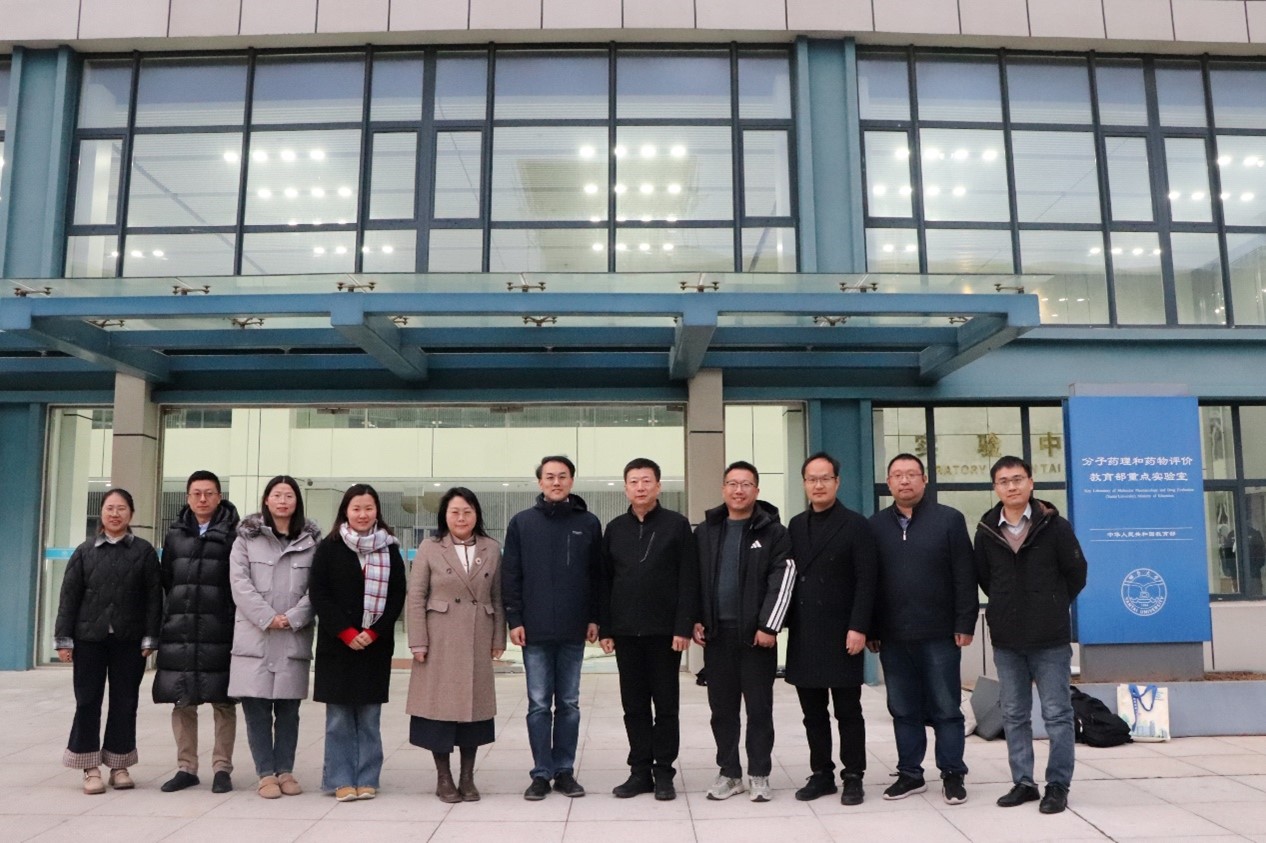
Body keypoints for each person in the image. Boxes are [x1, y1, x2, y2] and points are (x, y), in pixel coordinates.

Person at [975, 456, 1087, 815]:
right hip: (1007, 639)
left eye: (1017, 479)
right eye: (1004, 481)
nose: (1011, 486)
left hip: (1050, 638)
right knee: (1013, 713)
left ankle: (1057, 785)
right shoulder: (986, 530)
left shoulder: (1055, 526)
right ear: (996, 488)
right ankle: (1023, 782)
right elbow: (985, 578)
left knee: (1057, 713)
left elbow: (1076, 572)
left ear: (1031, 482)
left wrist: (1050, 604)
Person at [868, 453, 977, 804]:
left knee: (946, 708)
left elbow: (965, 575)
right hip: (894, 635)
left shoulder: (949, 520)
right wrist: (871, 627)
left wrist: (965, 622)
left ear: (924, 479)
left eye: (911, 474)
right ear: (889, 482)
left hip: (939, 634)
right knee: (903, 709)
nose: (905, 481)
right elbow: (869, 583)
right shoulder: (876, 525)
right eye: (897, 475)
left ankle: (953, 773)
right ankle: (910, 774)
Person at [693, 460, 795, 803]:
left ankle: (759, 773)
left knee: (759, 710)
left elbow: (782, 580)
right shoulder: (706, 531)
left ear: (756, 490)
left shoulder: (774, 532)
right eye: (733, 484)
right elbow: (694, 579)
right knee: (722, 711)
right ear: (723, 488)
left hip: (756, 638)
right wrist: (696, 618)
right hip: (717, 636)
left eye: (746, 484)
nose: (739, 490)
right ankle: (730, 773)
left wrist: (769, 626)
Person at [597, 457, 698, 801]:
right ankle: (639, 771)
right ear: (625, 488)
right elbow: (604, 581)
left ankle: (664, 772)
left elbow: (689, 579)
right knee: (634, 707)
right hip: (626, 633)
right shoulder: (615, 529)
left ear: (658, 486)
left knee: (666, 707)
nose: (640, 487)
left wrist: (683, 626)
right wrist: (606, 628)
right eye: (634, 482)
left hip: (665, 634)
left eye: (646, 481)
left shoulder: (676, 525)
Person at [502, 455, 602, 801]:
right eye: (549, 477)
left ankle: (564, 771)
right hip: (534, 631)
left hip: (574, 629)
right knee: (539, 704)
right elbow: (511, 575)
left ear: (572, 480)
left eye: (562, 476)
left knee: (570, 704)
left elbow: (597, 576)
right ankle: (541, 773)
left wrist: (595, 617)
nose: (556, 482)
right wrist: (514, 619)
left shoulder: (588, 523)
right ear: (540, 482)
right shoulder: (522, 523)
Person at [54, 488, 162, 794]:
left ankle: (119, 765)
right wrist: (64, 639)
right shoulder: (84, 551)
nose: (115, 514)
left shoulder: (143, 552)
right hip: (89, 639)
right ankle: (89, 767)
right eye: (110, 508)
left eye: (121, 508)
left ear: (131, 514)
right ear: (101, 513)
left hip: (129, 639)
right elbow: (69, 597)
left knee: (125, 702)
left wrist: (151, 637)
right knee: (87, 701)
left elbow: (154, 598)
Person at [784, 452, 877, 806]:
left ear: (837, 482)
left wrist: (859, 627)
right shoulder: (795, 525)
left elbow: (867, 580)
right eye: (812, 479)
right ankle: (821, 773)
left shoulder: (856, 525)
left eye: (825, 478)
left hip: (843, 632)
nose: (818, 485)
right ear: (804, 483)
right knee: (813, 713)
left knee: (848, 711)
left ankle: (853, 775)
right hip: (806, 631)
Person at [406, 487, 505, 803]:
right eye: (455, 512)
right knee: (439, 709)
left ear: (477, 515)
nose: (461, 518)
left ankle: (467, 776)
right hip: (440, 638)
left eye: (467, 512)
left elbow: (497, 596)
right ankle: (444, 777)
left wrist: (498, 638)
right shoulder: (430, 547)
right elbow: (416, 596)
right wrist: (418, 641)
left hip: (477, 635)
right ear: (444, 516)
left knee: (473, 710)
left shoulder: (491, 548)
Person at [309, 484, 407, 802]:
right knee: (338, 719)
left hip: (374, 646)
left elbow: (397, 595)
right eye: (356, 508)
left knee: (368, 717)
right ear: (346, 512)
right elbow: (319, 593)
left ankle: (367, 778)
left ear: (377, 510)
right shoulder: (329, 548)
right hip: (337, 646)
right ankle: (339, 779)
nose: (362, 514)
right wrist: (346, 632)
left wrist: (374, 631)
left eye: (368, 508)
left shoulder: (389, 549)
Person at [228, 475, 321, 799]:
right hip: (255, 635)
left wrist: (293, 617)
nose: (283, 501)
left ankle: (285, 770)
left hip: (293, 635)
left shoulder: (311, 542)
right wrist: (268, 617)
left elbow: (317, 587)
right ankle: (265, 774)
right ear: (266, 500)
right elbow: (239, 583)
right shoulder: (246, 540)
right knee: (256, 709)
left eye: (289, 495)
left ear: (297, 501)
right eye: (277, 495)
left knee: (288, 711)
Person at [153, 470, 242, 794]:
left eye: (209, 493)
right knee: (182, 700)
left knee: (223, 702)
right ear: (188, 497)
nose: (202, 499)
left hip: (220, 628)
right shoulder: (175, 534)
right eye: (196, 493)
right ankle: (186, 767)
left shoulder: (234, 534)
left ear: (219, 497)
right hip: (181, 629)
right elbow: (167, 580)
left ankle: (222, 768)